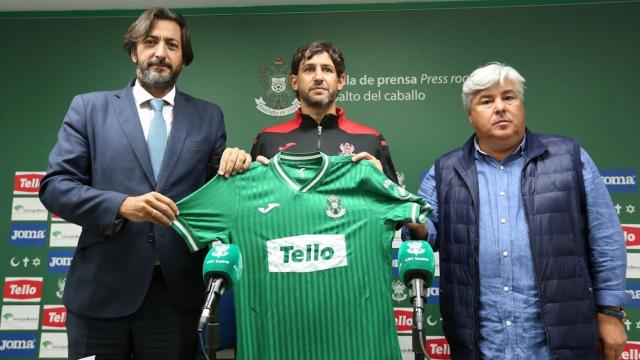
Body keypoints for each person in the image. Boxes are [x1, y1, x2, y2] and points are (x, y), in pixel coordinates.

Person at [39, 7, 251, 359]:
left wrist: (238, 164)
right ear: (134, 50)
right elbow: (56, 187)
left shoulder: (209, 117)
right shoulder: (89, 109)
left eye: (172, 44)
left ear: (184, 57)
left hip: (176, 298)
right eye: (150, 42)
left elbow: (219, 197)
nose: (160, 53)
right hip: (100, 296)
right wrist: (121, 206)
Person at [406, 62, 628, 360]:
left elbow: (606, 238)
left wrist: (610, 312)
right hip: (482, 344)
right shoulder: (445, 170)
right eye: (487, 101)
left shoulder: (570, 158)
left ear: (521, 105)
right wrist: (410, 220)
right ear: (470, 115)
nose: (500, 107)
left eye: (508, 97)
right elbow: (425, 235)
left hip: (561, 341)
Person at [250, 40, 399, 182]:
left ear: (341, 81)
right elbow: (252, 200)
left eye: (327, 70)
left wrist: (381, 181)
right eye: (309, 69)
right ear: (294, 82)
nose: (318, 77)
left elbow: (395, 205)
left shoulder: (371, 139)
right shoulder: (267, 139)